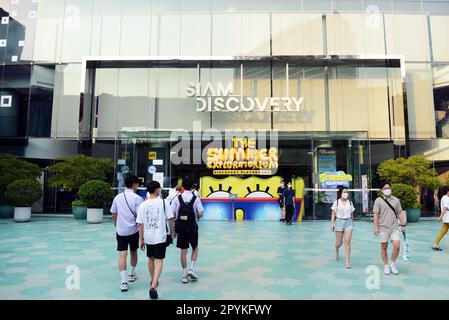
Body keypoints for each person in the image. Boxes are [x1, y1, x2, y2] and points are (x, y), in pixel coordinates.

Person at [136, 181, 174, 300]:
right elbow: (171, 219)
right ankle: (153, 285)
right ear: (157, 189)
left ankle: (153, 279)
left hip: (148, 237)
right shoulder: (164, 202)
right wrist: (172, 234)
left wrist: (141, 239)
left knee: (150, 259)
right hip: (160, 236)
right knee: (159, 260)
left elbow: (140, 224)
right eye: (160, 188)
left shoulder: (143, 204)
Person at [110, 175, 143, 292]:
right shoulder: (138, 199)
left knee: (122, 254)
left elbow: (113, 213)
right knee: (133, 252)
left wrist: (116, 223)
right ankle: (131, 274)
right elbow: (140, 217)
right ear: (134, 184)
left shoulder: (118, 197)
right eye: (137, 183)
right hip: (133, 231)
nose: (138, 186)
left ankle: (124, 282)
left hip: (121, 231)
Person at [171, 176, 204, 283]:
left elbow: (172, 213)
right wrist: (198, 216)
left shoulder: (177, 198)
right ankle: (191, 268)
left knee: (183, 251)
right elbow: (200, 213)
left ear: (183, 186)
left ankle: (184, 275)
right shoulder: (196, 198)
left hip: (181, 228)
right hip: (192, 227)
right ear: (192, 187)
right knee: (195, 247)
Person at [373, 182, 406, 275]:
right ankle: (386, 265)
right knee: (384, 246)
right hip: (383, 227)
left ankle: (392, 263)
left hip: (394, 227)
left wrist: (403, 225)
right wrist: (376, 227)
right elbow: (376, 214)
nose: (387, 189)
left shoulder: (396, 200)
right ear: (381, 190)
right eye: (385, 188)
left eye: (388, 188)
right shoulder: (378, 201)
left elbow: (399, 213)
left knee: (397, 245)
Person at [331, 186, 355, 268]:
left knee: (347, 241)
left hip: (348, 222)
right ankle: (337, 249)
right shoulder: (336, 202)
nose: (346, 194)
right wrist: (332, 223)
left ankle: (347, 261)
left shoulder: (350, 202)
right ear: (340, 193)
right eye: (344, 192)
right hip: (339, 222)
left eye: (347, 192)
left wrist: (352, 222)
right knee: (339, 242)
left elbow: (352, 213)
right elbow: (333, 214)